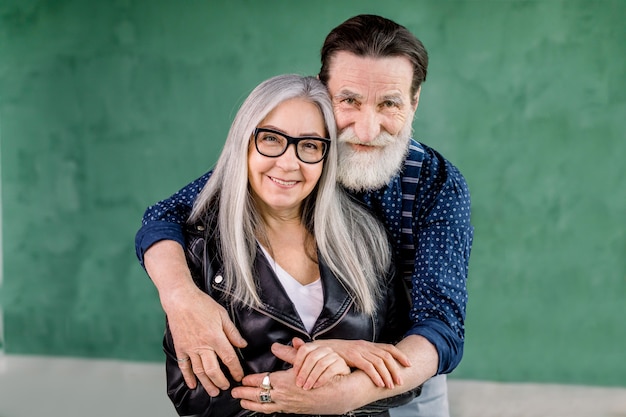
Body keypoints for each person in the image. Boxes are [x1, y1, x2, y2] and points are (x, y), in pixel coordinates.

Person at [135, 14, 473, 416]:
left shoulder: (436, 183)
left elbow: (441, 325)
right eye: (349, 100)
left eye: (389, 104)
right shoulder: (282, 159)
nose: (366, 129)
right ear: (323, 91)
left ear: (414, 102)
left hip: (402, 368)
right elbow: (165, 216)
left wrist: (350, 392)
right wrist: (181, 297)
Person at [157, 73, 419, 417]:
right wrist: (293, 393)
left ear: (327, 157)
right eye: (271, 139)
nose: (288, 162)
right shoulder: (199, 250)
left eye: (309, 145)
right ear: (244, 143)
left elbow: (409, 376)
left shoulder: (366, 238)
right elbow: (190, 397)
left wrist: (348, 377)